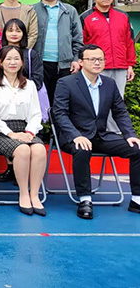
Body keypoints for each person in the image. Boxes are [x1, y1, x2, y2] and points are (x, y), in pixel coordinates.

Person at [52, 44, 140, 219]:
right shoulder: (66, 83)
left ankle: (137, 199)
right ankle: (85, 199)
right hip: (73, 137)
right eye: (92, 59)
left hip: (100, 136)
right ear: (81, 62)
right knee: (83, 149)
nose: (97, 62)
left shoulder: (109, 84)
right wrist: (76, 135)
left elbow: (120, 112)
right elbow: (59, 113)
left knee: (137, 149)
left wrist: (130, 135)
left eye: (100, 59)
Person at [0, 46, 47, 216]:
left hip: (25, 129)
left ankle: (35, 195)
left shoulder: (30, 85)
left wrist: (30, 133)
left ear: (22, 62)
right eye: (8, 59)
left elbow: (35, 114)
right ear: (0, 62)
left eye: (16, 59)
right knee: (23, 150)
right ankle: (23, 194)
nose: (13, 62)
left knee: (39, 149)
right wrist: (11, 134)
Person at [32, 0, 83, 105]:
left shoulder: (69, 10)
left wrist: (76, 59)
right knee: (41, 100)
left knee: (63, 100)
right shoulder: (31, 10)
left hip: (65, 65)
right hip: (40, 63)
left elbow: (78, 38)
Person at [80, 0, 136, 98]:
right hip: (96, 66)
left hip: (120, 67)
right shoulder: (85, 17)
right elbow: (80, 44)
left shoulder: (123, 16)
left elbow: (129, 42)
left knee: (118, 100)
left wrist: (130, 65)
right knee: (96, 100)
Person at [0, 19, 44, 91]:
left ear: (23, 33)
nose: (14, 34)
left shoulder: (32, 55)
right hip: (0, 93)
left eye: (18, 31)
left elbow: (37, 80)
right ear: (4, 33)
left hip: (25, 93)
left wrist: (18, 89)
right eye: (10, 31)